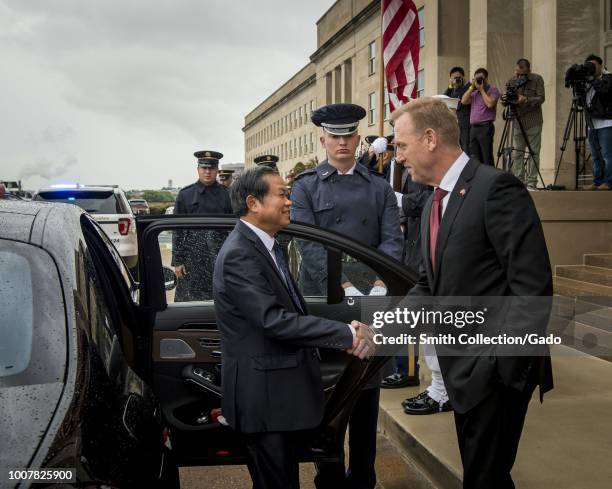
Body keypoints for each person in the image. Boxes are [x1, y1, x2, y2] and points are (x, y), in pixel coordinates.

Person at [392, 97, 553, 488]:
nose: (398, 157)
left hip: (494, 374)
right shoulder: (435, 199)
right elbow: (430, 284)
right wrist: (383, 328)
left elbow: (532, 288)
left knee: (484, 478)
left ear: (429, 139)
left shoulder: (495, 189)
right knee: (486, 477)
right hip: (462, 372)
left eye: (401, 145)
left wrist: (501, 369)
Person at [213, 166, 375, 489]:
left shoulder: (266, 245)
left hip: (277, 400)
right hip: (264, 403)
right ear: (253, 203)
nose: (289, 202)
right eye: (282, 194)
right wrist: (346, 334)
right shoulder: (239, 255)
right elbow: (273, 320)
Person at [291, 103, 403, 489]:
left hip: (371, 298)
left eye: (348, 136)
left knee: (367, 393)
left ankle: (364, 478)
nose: (342, 142)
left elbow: (392, 240)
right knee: (329, 394)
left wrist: (377, 283)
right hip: (326, 302)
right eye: (334, 136)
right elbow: (308, 245)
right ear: (323, 140)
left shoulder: (379, 187)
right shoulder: (306, 186)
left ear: (358, 139)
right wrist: (342, 285)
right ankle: (331, 476)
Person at [171, 150, 233, 301]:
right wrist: (178, 261)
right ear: (198, 169)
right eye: (204, 168)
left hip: (219, 254)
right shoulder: (185, 195)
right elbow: (177, 230)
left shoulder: (228, 195)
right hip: (192, 257)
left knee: (221, 299)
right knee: (190, 303)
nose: (207, 172)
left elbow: (234, 229)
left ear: (217, 170)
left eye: (211, 168)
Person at [505, 58, 545, 190]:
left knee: (534, 152)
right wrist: (504, 99)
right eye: (517, 73)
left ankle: (532, 182)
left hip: (533, 120)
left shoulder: (537, 79)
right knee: (518, 153)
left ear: (528, 70)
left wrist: (525, 99)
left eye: (522, 74)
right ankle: (519, 182)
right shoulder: (511, 80)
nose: (519, 76)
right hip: (517, 121)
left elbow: (541, 98)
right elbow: (507, 100)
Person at [583, 54, 612, 190]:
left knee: (607, 154)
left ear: (600, 65)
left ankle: (609, 182)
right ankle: (597, 181)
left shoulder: (608, 78)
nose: (592, 68)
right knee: (595, 155)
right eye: (589, 66)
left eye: (594, 65)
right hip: (592, 122)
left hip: (606, 122)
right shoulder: (586, 82)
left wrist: (593, 79)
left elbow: (605, 91)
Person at [461, 68, 500, 165]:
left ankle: (489, 179)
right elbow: (463, 101)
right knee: (475, 157)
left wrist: (482, 90)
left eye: (481, 78)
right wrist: (471, 87)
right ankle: (479, 178)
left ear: (486, 79)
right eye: (476, 79)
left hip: (485, 127)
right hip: (474, 128)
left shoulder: (493, 90)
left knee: (486, 155)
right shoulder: (474, 93)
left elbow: (490, 104)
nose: (479, 81)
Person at [444, 67, 471, 152]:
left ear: (463, 77)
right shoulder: (452, 89)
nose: (457, 80)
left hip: (466, 124)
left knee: (466, 149)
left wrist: (458, 86)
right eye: (454, 78)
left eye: (459, 77)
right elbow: (445, 98)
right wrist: (450, 85)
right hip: (456, 124)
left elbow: (461, 101)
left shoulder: (469, 87)